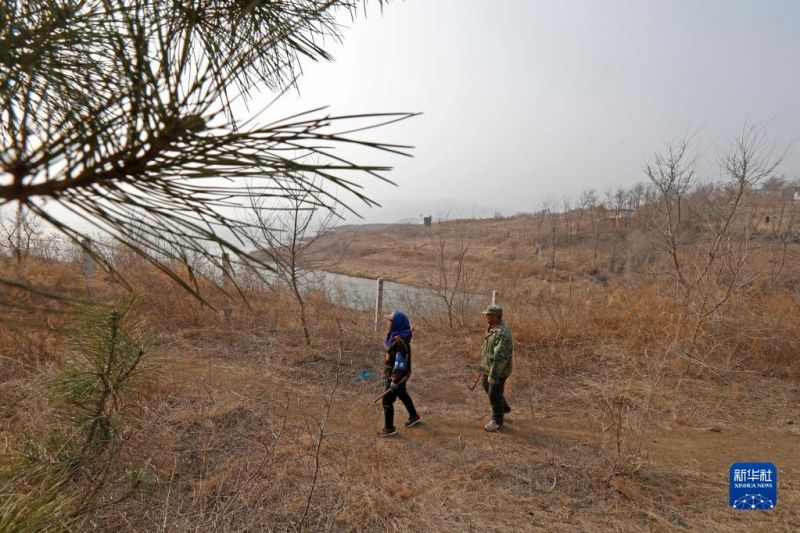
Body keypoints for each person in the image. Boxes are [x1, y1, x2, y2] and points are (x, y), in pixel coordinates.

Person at [377, 310, 421, 437]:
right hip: (399, 376)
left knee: (387, 401)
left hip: (397, 376)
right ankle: (414, 416)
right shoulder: (396, 336)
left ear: (397, 323)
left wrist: (394, 381)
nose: (388, 322)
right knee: (402, 393)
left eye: (390, 320)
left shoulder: (400, 342)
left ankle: (389, 429)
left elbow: (400, 365)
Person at [479, 304, 513, 432]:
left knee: (494, 393)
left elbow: (500, 358)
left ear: (497, 316)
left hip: (498, 370)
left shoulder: (502, 334)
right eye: (486, 314)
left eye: (489, 315)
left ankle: (497, 420)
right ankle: (503, 407)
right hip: (489, 367)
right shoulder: (492, 328)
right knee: (486, 386)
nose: (486, 317)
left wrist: (494, 375)